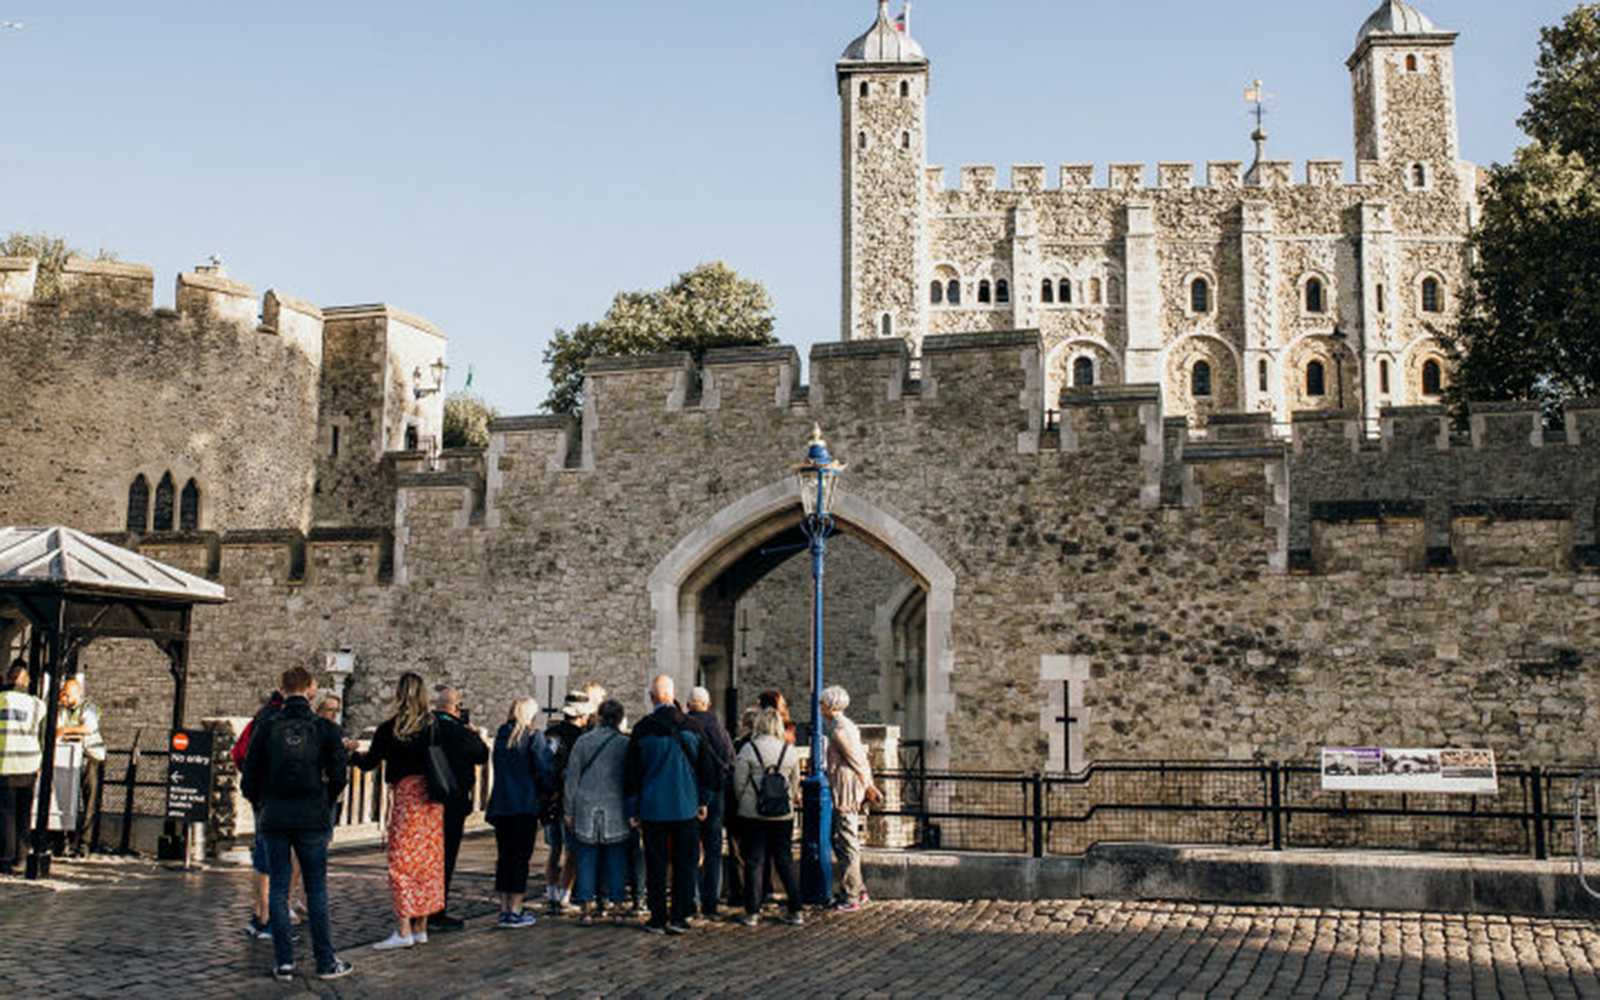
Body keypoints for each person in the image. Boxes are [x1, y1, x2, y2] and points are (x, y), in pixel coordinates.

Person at [240, 665, 353, 982]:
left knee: (278, 888)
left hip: (275, 814)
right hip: (311, 816)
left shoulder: (266, 724)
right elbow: (340, 776)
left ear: (283, 688)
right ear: (310, 689)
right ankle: (324, 960)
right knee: (316, 889)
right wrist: (324, 799)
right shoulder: (324, 728)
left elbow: (249, 777)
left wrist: (263, 802)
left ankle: (284, 962)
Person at [351, 672, 443, 950]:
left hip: (406, 800)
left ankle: (403, 929)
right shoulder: (433, 726)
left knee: (401, 864)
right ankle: (421, 927)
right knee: (428, 864)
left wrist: (351, 753)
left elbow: (369, 763)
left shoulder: (389, 728)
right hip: (431, 802)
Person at [624, 674, 719, 934]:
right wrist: (703, 801)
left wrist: (633, 809)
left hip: (653, 808)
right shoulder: (691, 726)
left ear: (652, 697)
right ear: (673, 695)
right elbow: (707, 769)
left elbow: (632, 774)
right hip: (685, 806)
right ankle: (680, 915)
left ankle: (657, 916)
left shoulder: (643, 728)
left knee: (655, 864)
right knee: (685, 864)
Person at [732, 706, 804, 927]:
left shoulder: (749, 750)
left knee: (754, 861)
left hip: (753, 813)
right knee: (784, 860)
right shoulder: (789, 751)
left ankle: (752, 911)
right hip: (782, 814)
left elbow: (739, 783)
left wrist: (745, 801)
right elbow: (794, 785)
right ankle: (796, 908)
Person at [485, 696, 552, 928]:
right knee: (520, 858)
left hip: (502, 804)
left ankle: (504, 908)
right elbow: (544, 770)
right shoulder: (534, 737)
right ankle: (515, 908)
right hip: (524, 804)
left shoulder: (502, 735)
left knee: (504, 857)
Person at [565, 698, 631, 926]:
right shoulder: (624, 744)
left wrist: (568, 810)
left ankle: (585, 909)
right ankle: (618, 907)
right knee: (616, 859)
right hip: (616, 805)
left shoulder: (584, 741)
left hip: (586, 804)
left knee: (586, 858)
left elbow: (572, 778)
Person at [428, 686, 489, 933]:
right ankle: (436, 911)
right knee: (445, 858)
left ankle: (418, 908)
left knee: (425, 857)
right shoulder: (460, 733)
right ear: (456, 707)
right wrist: (474, 733)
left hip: (426, 799)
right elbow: (482, 755)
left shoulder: (426, 728)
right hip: (452, 801)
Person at [822, 685, 880, 912]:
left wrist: (868, 785)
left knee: (847, 842)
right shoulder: (845, 727)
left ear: (830, 705)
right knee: (843, 840)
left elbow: (857, 760)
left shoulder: (840, 730)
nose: (820, 708)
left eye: (822, 703)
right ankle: (857, 888)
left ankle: (851, 894)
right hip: (846, 788)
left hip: (846, 791)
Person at [235, 689, 285, 939]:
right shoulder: (278, 718)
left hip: (260, 794)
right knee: (271, 859)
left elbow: (245, 756)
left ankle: (258, 915)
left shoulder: (262, 716)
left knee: (262, 856)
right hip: (273, 796)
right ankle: (267, 920)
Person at [685, 686, 734, 917]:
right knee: (713, 851)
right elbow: (731, 762)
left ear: (689, 705)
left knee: (691, 851)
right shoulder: (719, 729)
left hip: (689, 794)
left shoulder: (684, 727)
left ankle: (691, 900)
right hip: (715, 793)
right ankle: (711, 903)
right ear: (708, 703)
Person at [542, 692, 589, 913]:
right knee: (572, 851)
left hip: (551, 798)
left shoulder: (551, 734)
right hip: (571, 800)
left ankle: (551, 892)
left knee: (554, 849)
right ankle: (564, 896)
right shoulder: (583, 737)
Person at [0, 661, 45, 875]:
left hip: (5, 764)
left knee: (6, 814)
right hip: (29, 764)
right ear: (26, 681)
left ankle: (5, 858)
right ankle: (22, 855)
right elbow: (42, 736)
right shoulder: (37, 704)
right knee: (24, 813)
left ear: (8, 679)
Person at [55, 677, 105, 856]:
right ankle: (61, 840)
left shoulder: (88, 707)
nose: (64, 697)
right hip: (66, 757)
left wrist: (66, 730)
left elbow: (89, 727)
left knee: (89, 802)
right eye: (63, 693)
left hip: (90, 757)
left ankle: (85, 844)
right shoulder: (62, 709)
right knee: (63, 799)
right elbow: (55, 728)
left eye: (67, 694)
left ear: (77, 693)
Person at [723, 704, 760, 908]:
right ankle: (756, 893)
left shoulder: (740, 745)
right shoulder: (764, 744)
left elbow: (735, 776)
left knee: (737, 852)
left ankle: (738, 892)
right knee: (756, 852)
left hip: (739, 804)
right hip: (760, 806)